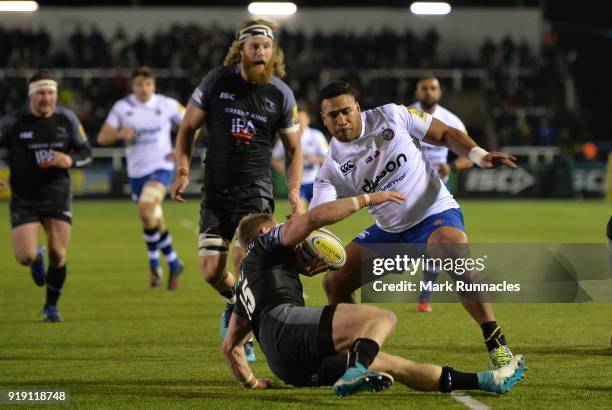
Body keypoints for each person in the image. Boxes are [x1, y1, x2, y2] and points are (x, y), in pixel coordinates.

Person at [222, 191, 526, 395]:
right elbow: (312, 220)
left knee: (393, 364)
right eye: (276, 228)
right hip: (287, 328)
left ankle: (488, 381)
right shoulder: (264, 243)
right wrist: (368, 198)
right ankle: (356, 370)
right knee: (381, 317)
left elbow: (230, 347)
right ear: (264, 233)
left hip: (287, 364)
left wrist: (252, 382)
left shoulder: (247, 281)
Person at [311, 81, 518, 369]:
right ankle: (362, 354)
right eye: (333, 115)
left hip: (434, 213)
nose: (341, 120)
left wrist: (479, 156)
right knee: (335, 281)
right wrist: (310, 244)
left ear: (358, 108)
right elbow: (319, 215)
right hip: (391, 231)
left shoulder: (392, 115)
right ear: (324, 119)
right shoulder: (331, 168)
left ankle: (495, 341)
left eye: (346, 111)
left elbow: (445, 133)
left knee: (454, 254)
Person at [171, 19, 302, 362]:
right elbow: (187, 128)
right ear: (240, 50)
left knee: (247, 260)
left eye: (266, 46)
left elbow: (294, 150)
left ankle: (247, 333)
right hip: (215, 191)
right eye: (254, 46)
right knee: (211, 272)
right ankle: (236, 300)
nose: (261, 51)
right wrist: (182, 170)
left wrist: (293, 189)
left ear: (273, 53)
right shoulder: (216, 82)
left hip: (255, 191)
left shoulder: (281, 94)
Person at [0, 71, 92, 322]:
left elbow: (86, 151)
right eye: (41, 92)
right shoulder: (13, 121)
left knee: (59, 255)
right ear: (30, 95)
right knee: (25, 257)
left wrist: (69, 159)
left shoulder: (67, 119)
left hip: (57, 195)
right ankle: (36, 255)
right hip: (24, 197)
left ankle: (51, 307)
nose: (46, 97)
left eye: (51, 92)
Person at [98, 66, 184, 290]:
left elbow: (193, 123)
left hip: (161, 168)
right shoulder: (122, 107)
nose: (143, 88)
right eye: (139, 84)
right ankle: (174, 262)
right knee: (153, 217)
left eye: (147, 84)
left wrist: (181, 147)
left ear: (153, 86)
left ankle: (154, 265)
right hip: (136, 173)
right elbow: (102, 137)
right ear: (132, 86)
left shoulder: (166, 105)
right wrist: (118, 134)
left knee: (146, 210)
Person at [410, 75, 473, 313]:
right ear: (417, 92)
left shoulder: (450, 120)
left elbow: (468, 155)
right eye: (424, 88)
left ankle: (425, 296)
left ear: (439, 92)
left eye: (432, 88)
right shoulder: (406, 116)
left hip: (438, 191)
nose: (428, 92)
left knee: (437, 244)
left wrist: (452, 167)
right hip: (407, 189)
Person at [271, 110, 328, 213]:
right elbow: (274, 158)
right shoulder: (287, 136)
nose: (300, 122)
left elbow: (328, 157)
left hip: (315, 181)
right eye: (297, 120)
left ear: (308, 120)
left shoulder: (316, 135)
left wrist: (316, 159)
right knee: (298, 213)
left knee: (320, 215)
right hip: (297, 183)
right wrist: (285, 170)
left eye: (302, 119)